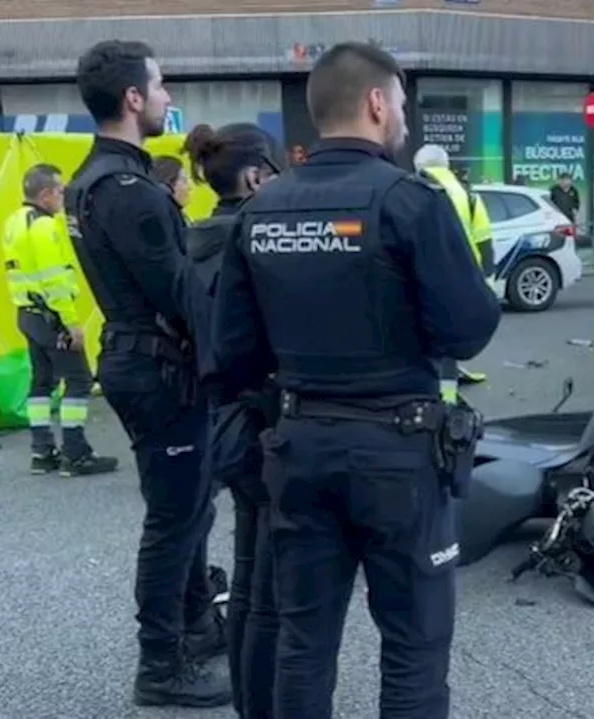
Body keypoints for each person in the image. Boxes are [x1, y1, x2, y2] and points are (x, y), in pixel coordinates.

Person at [208, 41, 501, 719]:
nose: (403, 116)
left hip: (299, 448)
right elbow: (468, 329)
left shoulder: (261, 210)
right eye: (400, 102)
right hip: (398, 453)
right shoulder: (409, 200)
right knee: (414, 648)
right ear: (375, 102)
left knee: (303, 643)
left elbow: (231, 356)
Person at [64, 40, 231, 708]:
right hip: (159, 365)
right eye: (160, 86)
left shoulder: (92, 179)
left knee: (190, 505)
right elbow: (180, 294)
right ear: (133, 99)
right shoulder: (129, 190)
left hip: (141, 358)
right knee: (173, 517)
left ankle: (194, 623)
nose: (167, 97)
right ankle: (160, 664)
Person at [181, 121, 284, 719]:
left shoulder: (198, 240)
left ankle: (252, 702)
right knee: (270, 588)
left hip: (221, 420)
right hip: (258, 421)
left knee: (248, 579)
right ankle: (267, 705)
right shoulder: (252, 242)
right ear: (253, 176)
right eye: (271, 173)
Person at [2, 164, 118, 477]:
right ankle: (76, 454)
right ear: (46, 194)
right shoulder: (44, 227)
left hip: (27, 313)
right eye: (60, 191)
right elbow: (54, 279)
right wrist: (70, 321)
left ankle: (42, 452)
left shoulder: (14, 221)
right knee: (79, 380)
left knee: (42, 382)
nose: (63, 197)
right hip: (52, 316)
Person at [413, 143, 495, 392]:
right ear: (446, 166)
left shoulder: (412, 190)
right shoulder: (468, 194)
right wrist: (486, 280)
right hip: (462, 276)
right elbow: (484, 239)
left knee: (419, 332)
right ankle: (449, 395)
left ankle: (426, 385)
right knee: (449, 333)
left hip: (422, 274)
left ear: (418, 167)